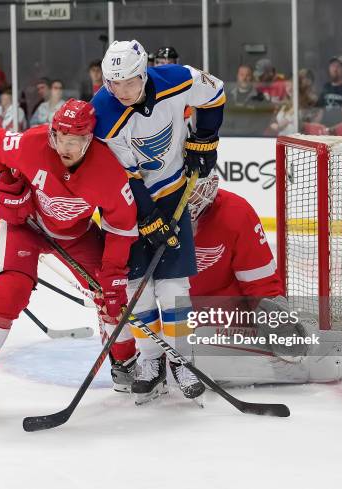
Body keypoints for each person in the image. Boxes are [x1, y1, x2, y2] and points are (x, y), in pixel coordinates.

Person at [0, 99, 138, 422]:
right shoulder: (33, 143)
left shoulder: (108, 172)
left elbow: (122, 228)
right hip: (22, 223)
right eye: (59, 137)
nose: (64, 147)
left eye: (74, 141)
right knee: (11, 289)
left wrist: (114, 276)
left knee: (109, 294)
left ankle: (124, 362)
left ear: (89, 139)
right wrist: (7, 186)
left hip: (75, 235)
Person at [92, 39, 225, 404]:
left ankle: (180, 358)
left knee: (172, 282)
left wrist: (206, 139)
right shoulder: (102, 112)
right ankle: (150, 361)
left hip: (173, 189)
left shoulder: (177, 79)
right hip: (123, 204)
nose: (119, 91)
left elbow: (215, 95)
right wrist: (147, 217)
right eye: (111, 83)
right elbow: (125, 176)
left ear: (143, 74)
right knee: (137, 285)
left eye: (127, 83)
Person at [187, 173, 307, 359]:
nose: (186, 195)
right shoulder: (147, 214)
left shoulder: (236, 212)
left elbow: (261, 281)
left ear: (210, 184)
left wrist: (278, 322)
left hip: (222, 315)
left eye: (193, 187)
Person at [225, 64, 273, 136]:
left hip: (251, 140)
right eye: (242, 75)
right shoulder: (228, 97)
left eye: (247, 75)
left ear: (252, 77)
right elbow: (221, 120)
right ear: (237, 76)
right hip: (229, 139)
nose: (244, 78)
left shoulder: (260, 98)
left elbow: (264, 122)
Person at [316, 55, 342, 128]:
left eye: (338, 66)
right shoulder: (326, 87)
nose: (335, 69)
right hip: (325, 128)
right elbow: (319, 109)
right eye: (332, 66)